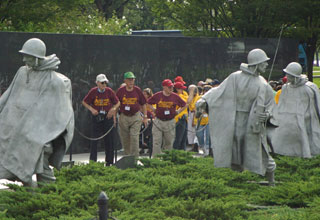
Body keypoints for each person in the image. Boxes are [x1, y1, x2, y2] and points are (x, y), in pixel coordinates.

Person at [196, 48, 276, 186]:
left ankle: (271, 180)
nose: (266, 65)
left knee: (261, 150)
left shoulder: (262, 82)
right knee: (235, 153)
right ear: (256, 63)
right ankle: (236, 183)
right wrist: (203, 100)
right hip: (234, 120)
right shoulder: (235, 77)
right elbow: (218, 91)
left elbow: (271, 102)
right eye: (264, 62)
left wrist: (268, 114)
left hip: (252, 122)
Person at [0, 38, 74, 186]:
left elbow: (61, 114)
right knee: (15, 158)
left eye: (27, 56)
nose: (24, 59)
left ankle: (49, 199)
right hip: (18, 128)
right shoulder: (22, 72)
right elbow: (9, 96)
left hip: (40, 134)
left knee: (40, 163)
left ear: (37, 58)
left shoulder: (55, 82)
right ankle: (28, 194)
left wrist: (43, 134)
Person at [270, 62, 320, 158]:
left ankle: (304, 152)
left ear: (295, 76)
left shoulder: (308, 89)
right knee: (283, 124)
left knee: (298, 123)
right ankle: (279, 149)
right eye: (287, 74)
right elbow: (280, 106)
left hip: (304, 117)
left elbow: (316, 106)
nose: (286, 77)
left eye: (289, 75)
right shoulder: (285, 88)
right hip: (287, 117)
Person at [82, 74, 120, 166]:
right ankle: (93, 162)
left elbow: (117, 102)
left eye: (105, 83)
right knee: (94, 140)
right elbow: (84, 102)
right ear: (97, 83)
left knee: (109, 140)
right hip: (97, 117)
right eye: (102, 83)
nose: (104, 85)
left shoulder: (109, 91)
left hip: (107, 117)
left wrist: (113, 109)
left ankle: (109, 162)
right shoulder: (93, 91)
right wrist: (91, 109)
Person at [147, 79, 187, 157]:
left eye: (172, 87)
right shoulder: (158, 95)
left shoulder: (175, 96)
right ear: (164, 87)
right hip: (158, 121)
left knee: (169, 142)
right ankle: (156, 159)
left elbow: (184, 105)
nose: (171, 89)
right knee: (156, 141)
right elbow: (148, 103)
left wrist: (178, 111)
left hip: (170, 121)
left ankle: (166, 159)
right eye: (169, 87)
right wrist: (154, 110)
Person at [116, 72, 148, 158]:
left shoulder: (137, 90)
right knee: (125, 139)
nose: (131, 81)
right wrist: (114, 118)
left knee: (134, 137)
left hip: (135, 116)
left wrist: (145, 117)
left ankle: (135, 158)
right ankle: (127, 158)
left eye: (132, 79)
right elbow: (116, 104)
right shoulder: (120, 91)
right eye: (129, 79)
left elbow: (144, 104)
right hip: (124, 116)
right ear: (125, 80)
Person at [173, 82, 189, 150]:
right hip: (179, 119)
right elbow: (188, 101)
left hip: (184, 119)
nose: (182, 90)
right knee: (179, 139)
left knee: (183, 139)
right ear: (176, 89)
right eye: (181, 89)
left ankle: (182, 154)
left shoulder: (181, 95)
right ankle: (176, 153)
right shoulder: (178, 96)